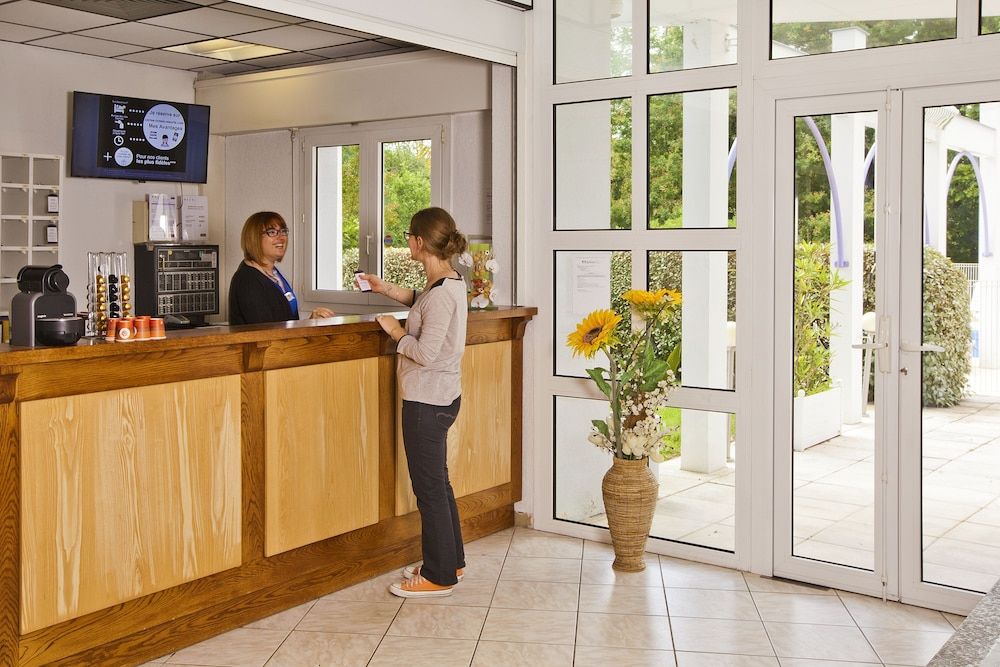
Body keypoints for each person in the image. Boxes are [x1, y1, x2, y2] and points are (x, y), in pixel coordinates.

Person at [360, 207, 469, 598]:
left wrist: (394, 331)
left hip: (427, 402)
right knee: (438, 483)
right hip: (441, 397)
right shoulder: (448, 284)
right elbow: (421, 302)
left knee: (429, 489)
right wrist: (384, 289)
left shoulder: (441, 295)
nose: (406, 241)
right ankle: (451, 559)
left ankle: (439, 576)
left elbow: (425, 352)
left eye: (408, 235)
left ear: (420, 242)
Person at [228, 211, 334, 325]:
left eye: (283, 231)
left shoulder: (273, 274)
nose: (282, 237)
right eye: (272, 232)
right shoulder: (247, 280)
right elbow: (266, 331)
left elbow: (285, 323)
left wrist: (310, 321)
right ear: (254, 238)